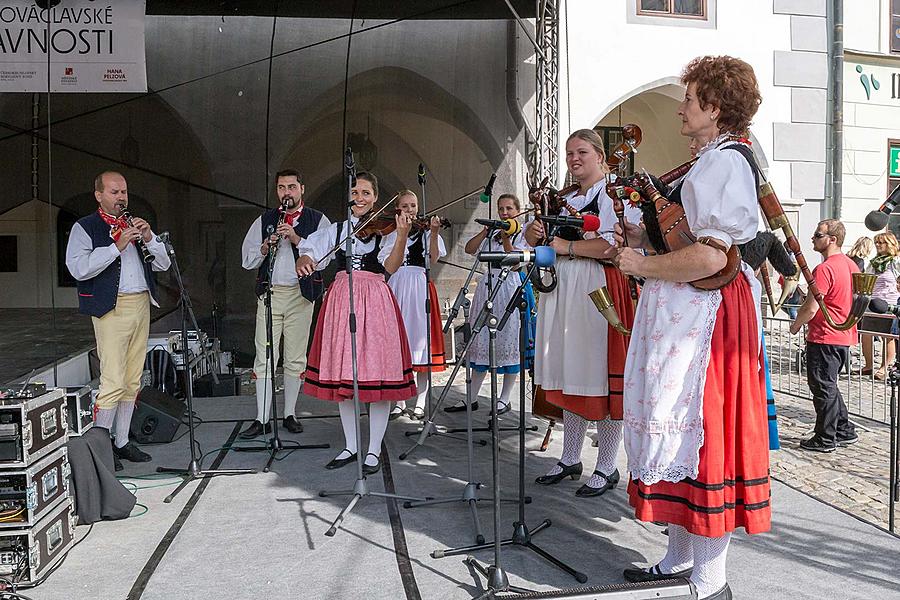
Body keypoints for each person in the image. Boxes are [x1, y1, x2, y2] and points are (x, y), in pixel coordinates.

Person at [613, 56, 769, 600]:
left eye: (690, 98)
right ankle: (680, 558)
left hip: (707, 322)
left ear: (715, 107)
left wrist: (642, 265)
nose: (681, 107)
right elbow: (685, 240)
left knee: (702, 440)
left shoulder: (726, 164)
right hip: (686, 315)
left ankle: (712, 581)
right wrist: (644, 241)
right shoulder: (706, 161)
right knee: (677, 431)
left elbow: (711, 258)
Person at [523, 129, 641, 498]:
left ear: (600, 155)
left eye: (582, 152)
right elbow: (531, 239)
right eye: (570, 153)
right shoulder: (565, 197)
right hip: (563, 289)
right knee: (571, 372)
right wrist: (536, 230)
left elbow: (613, 245)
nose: (574, 159)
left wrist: (567, 245)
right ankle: (570, 457)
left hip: (597, 288)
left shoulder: (612, 195)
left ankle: (607, 465)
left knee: (598, 378)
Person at [296, 172, 417, 475]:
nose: (360, 197)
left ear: (376, 198)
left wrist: (401, 235)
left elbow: (391, 266)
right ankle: (351, 445)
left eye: (366, 192)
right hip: (341, 299)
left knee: (377, 376)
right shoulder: (337, 230)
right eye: (355, 191)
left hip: (375, 299)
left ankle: (373, 449)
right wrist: (303, 259)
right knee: (344, 376)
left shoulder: (387, 230)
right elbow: (310, 248)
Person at [65, 171, 171, 471]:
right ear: (98, 195)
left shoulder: (132, 223)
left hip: (140, 303)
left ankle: (122, 440)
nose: (121, 197)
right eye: (114, 192)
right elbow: (78, 268)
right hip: (111, 309)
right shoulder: (84, 228)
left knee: (133, 379)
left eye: (123, 191)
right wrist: (116, 246)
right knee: (112, 379)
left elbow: (162, 264)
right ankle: (101, 447)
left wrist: (149, 238)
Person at [240, 169, 330, 438]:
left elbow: (324, 259)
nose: (286, 192)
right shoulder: (265, 220)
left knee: (295, 358)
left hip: (300, 296)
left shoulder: (318, 219)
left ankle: (290, 413)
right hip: (270, 295)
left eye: (291, 187)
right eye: (281, 188)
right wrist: (265, 247)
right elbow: (247, 259)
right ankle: (262, 418)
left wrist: (296, 239)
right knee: (264, 357)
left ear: (302, 188)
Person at [443, 193, 529, 416]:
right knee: (480, 340)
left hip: (509, 286)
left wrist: (506, 235)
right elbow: (470, 250)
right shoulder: (491, 235)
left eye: (509, 208)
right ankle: (471, 398)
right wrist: (485, 231)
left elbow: (515, 259)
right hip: (487, 286)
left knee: (509, 340)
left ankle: (505, 398)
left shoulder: (522, 234)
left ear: (517, 211)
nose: (504, 212)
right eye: (501, 208)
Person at [789, 219, 860, 451]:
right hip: (842, 334)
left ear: (833, 239)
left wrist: (796, 324)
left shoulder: (825, 268)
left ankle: (825, 437)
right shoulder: (851, 265)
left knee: (822, 388)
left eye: (818, 235)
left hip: (825, 335)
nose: (813, 238)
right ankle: (844, 429)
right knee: (829, 386)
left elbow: (811, 307)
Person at [379, 190, 447, 421]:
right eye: (405, 206)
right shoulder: (390, 234)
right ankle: (399, 401)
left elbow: (434, 259)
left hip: (419, 287)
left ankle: (420, 402)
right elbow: (386, 263)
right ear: (397, 208)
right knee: (400, 344)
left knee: (422, 343)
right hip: (397, 286)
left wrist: (435, 233)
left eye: (413, 205)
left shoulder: (426, 231)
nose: (410, 210)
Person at [860, 232, 900, 379]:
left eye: (881, 242)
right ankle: (868, 365)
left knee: (887, 336)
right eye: (876, 242)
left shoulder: (895, 262)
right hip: (873, 303)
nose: (877, 245)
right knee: (866, 334)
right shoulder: (874, 262)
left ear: (889, 244)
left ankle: (884, 367)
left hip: (889, 303)